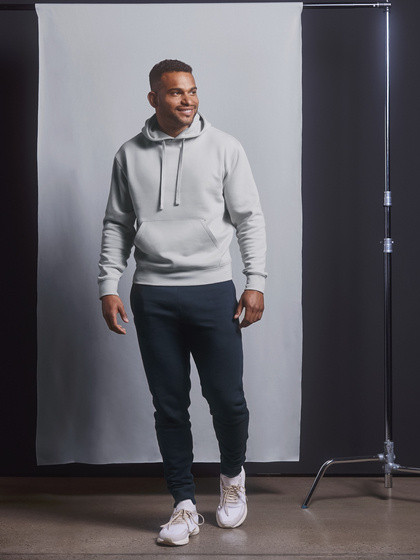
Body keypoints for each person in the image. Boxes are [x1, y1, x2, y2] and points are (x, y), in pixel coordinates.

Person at [98, 59, 267, 546]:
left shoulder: (225, 147)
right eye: (175, 92)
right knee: (169, 405)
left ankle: (232, 478)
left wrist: (255, 281)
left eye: (192, 91)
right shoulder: (128, 154)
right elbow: (117, 223)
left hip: (213, 290)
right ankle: (184, 504)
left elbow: (249, 218)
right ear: (154, 98)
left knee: (227, 400)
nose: (188, 100)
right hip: (152, 294)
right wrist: (108, 285)